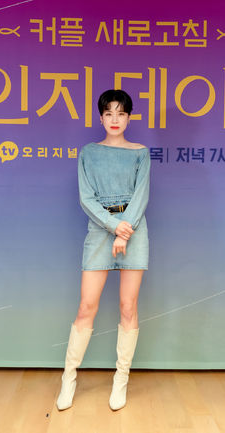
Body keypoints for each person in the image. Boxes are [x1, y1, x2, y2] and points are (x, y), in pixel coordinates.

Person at [56, 89, 150, 411]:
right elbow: (86, 198)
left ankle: (120, 379)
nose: (115, 119)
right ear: (100, 117)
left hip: (134, 232)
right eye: (109, 113)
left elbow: (141, 196)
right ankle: (68, 378)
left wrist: (125, 231)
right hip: (100, 230)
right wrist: (114, 227)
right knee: (86, 306)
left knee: (128, 307)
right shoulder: (89, 153)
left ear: (129, 117)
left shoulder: (141, 153)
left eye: (121, 113)